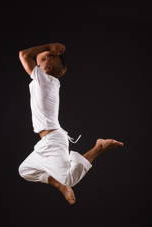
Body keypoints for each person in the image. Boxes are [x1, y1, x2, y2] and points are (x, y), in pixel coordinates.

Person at [18, 42, 124, 205]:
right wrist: (50, 52)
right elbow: (29, 57)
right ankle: (58, 184)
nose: (36, 65)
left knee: (69, 178)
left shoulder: (45, 80)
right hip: (46, 141)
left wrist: (50, 46)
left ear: (49, 61)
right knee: (25, 170)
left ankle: (99, 147)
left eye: (39, 62)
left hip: (53, 140)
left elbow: (24, 54)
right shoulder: (47, 81)